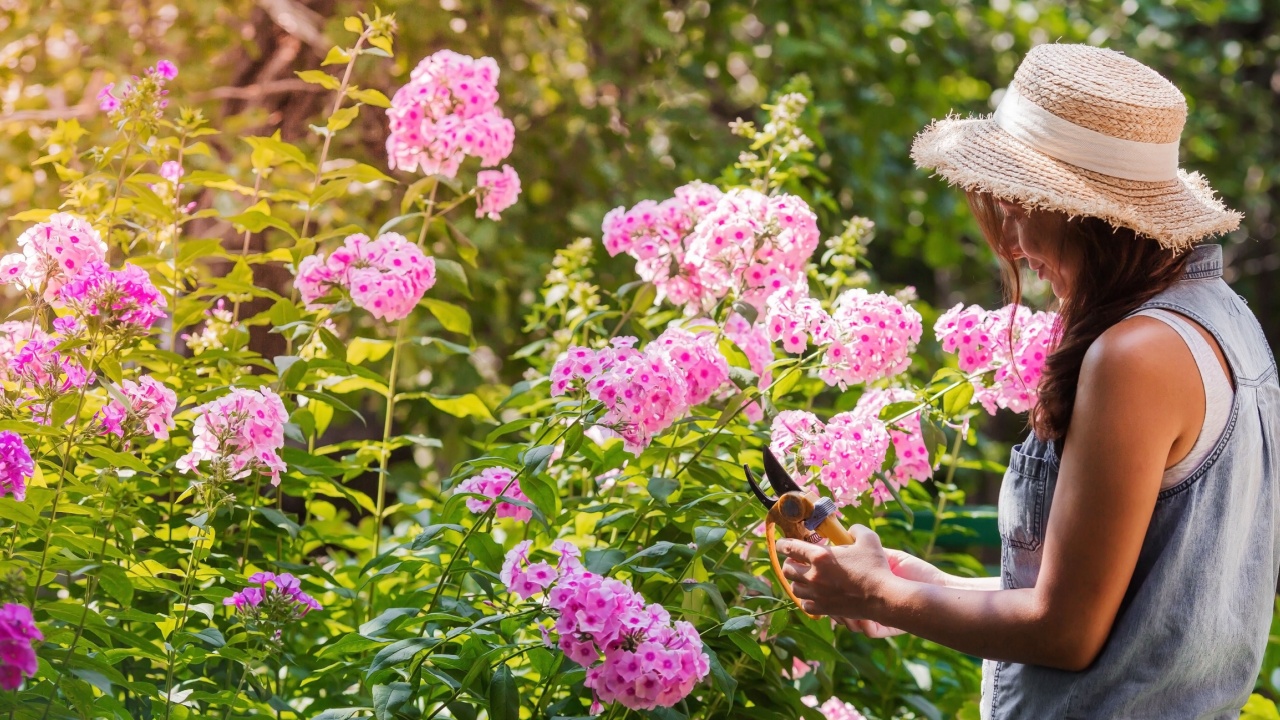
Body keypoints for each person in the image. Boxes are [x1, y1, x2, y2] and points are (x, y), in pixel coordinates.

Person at [776, 43, 1280, 719]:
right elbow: (1119, 597)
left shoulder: (1134, 355)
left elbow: (1065, 634)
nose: (1012, 243)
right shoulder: (1224, 318)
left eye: (1020, 207)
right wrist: (924, 587)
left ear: (1083, 214)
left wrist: (873, 595)